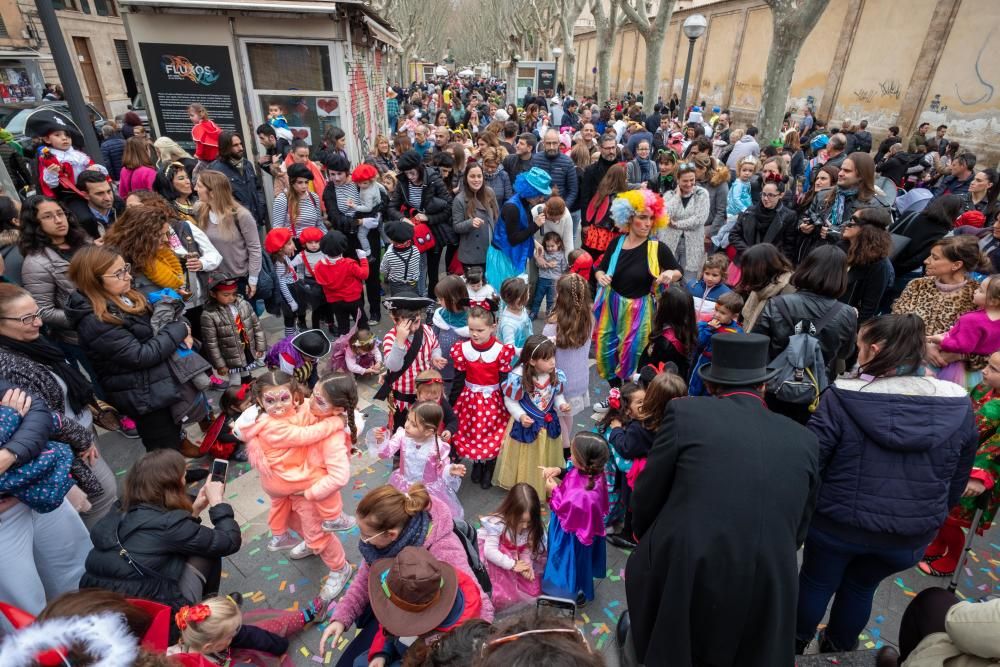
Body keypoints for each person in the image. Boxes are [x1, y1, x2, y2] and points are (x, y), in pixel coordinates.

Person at [625, 332, 819, 666]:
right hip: (771, 577)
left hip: (691, 564)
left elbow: (646, 497)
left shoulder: (685, 414)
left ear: (713, 386)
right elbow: (799, 528)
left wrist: (648, 540)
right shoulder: (804, 440)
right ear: (764, 386)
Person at [795, 314, 977, 654]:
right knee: (861, 588)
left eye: (859, 346)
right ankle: (837, 651)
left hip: (836, 525)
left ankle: (794, 642)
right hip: (907, 534)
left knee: (816, 582)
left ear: (874, 349)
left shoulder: (842, 397)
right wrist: (933, 516)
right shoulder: (959, 404)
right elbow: (958, 475)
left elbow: (810, 462)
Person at [318, 483, 494, 666]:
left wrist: (464, 651)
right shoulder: (379, 547)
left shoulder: (444, 548)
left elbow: (480, 603)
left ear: (391, 534)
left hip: (430, 633)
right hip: (398, 617)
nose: (363, 541)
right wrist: (342, 617)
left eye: (365, 535)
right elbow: (365, 578)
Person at [0, 283, 117, 527]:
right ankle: (106, 550)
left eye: (37, 314)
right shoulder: (8, 365)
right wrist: (81, 439)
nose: (38, 323)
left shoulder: (33, 343)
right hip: (68, 444)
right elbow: (42, 416)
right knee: (101, 499)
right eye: (27, 318)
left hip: (81, 433)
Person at [66, 245, 200, 455]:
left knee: (172, 437)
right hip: (141, 394)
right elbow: (140, 355)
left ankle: (180, 476)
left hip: (156, 383)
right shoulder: (94, 320)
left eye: (126, 268)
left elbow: (161, 321)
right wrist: (179, 329)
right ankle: (169, 486)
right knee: (162, 450)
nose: (128, 276)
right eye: (119, 273)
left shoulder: (123, 296)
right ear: (94, 280)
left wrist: (178, 324)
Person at [80, 449, 241, 620]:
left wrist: (195, 510)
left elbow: (160, 539)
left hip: (110, 612)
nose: (185, 480)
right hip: (156, 619)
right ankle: (209, 618)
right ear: (172, 485)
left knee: (196, 545)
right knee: (207, 553)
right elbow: (229, 541)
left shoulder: (122, 507)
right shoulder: (168, 525)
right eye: (184, 476)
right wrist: (217, 501)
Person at [238, 369, 354, 601]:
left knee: (319, 535)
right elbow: (303, 428)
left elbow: (338, 475)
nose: (279, 406)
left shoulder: (324, 426)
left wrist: (308, 492)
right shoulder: (297, 412)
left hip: (307, 494)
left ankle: (340, 568)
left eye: (284, 398)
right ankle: (311, 544)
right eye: (270, 400)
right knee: (298, 524)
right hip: (292, 493)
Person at [0, 383, 93, 616]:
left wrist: (10, 453)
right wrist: (10, 417)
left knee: (82, 577)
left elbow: (37, 410)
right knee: (26, 611)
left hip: (39, 493)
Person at [752, 245, 858, 422]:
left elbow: (755, 344)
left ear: (806, 267)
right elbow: (844, 353)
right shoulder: (846, 314)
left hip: (772, 384)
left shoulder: (777, 304)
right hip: (816, 389)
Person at [594, 189, 682, 390]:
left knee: (632, 356)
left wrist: (670, 274)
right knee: (605, 353)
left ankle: (631, 398)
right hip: (612, 304)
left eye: (651, 218)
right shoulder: (617, 242)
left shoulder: (656, 247)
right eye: (642, 217)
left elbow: (678, 270)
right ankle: (616, 393)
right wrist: (601, 276)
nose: (648, 223)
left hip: (640, 309)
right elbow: (599, 268)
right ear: (629, 218)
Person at [18, 196, 93, 371]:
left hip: (113, 323)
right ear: (35, 224)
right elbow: (43, 311)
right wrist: (88, 317)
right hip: (82, 337)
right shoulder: (36, 263)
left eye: (60, 213)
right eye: (48, 216)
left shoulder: (84, 241)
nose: (59, 220)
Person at [539, 432, 610, 606]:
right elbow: (573, 476)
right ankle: (575, 589)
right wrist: (560, 471)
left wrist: (553, 490)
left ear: (583, 461)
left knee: (567, 563)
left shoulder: (583, 495)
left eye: (573, 452)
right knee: (577, 563)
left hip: (570, 536)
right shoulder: (594, 474)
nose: (570, 455)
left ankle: (568, 594)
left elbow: (564, 508)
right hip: (580, 531)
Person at [494, 335, 569, 496]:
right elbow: (510, 401)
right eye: (547, 359)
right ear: (533, 361)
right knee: (526, 457)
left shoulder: (554, 374)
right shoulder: (518, 377)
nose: (553, 362)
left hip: (548, 423)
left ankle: (545, 482)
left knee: (545, 454)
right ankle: (526, 485)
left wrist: (561, 403)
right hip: (526, 424)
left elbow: (556, 394)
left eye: (553, 357)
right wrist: (520, 415)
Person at [449, 301, 514, 485]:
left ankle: (489, 465)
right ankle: (477, 462)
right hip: (469, 400)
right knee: (471, 432)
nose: (475, 334)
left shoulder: (500, 351)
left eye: (480, 330)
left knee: (492, 433)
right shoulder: (463, 349)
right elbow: (459, 379)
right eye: (471, 329)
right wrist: (452, 403)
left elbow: (504, 381)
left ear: (493, 327)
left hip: (493, 401)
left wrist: (508, 405)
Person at [372, 400, 464, 520]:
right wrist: (381, 441)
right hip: (403, 485)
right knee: (402, 514)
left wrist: (450, 470)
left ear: (428, 431)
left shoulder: (438, 447)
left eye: (414, 424)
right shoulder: (402, 436)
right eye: (408, 419)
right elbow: (385, 453)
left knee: (427, 517)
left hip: (428, 492)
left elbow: (440, 470)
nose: (407, 425)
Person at [387, 150, 456, 298]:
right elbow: (392, 207)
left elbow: (450, 207)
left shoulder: (433, 178)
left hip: (434, 232)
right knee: (416, 268)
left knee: (433, 269)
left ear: (419, 168)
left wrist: (429, 218)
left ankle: (432, 300)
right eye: (406, 174)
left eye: (412, 173)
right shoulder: (403, 181)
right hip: (413, 230)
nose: (410, 177)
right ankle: (418, 298)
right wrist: (402, 219)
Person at [892, 236, 980, 343]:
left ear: (956, 265)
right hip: (907, 353)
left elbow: (981, 344)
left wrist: (957, 355)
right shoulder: (917, 285)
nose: (926, 261)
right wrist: (923, 348)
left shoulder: (977, 296)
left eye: (935, 258)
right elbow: (896, 324)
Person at [542, 273, 594, 449]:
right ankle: (566, 443)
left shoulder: (553, 326)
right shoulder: (589, 319)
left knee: (556, 417)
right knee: (567, 413)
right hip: (579, 378)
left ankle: (564, 449)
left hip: (559, 381)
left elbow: (545, 353)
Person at [477, 483, 547, 612]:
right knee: (500, 593)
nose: (525, 526)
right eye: (521, 521)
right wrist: (513, 564)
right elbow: (489, 551)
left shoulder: (532, 527)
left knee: (533, 588)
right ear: (510, 511)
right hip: (498, 560)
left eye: (529, 522)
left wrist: (527, 566)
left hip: (515, 557)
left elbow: (526, 549)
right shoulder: (498, 525)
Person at [194, 170, 262, 299]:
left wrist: (253, 280)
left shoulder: (241, 215)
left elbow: (255, 248)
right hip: (212, 281)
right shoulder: (199, 210)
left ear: (213, 192)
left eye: (199, 186)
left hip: (238, 281)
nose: (195, 189)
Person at [486, 168, 552, 291]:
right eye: (539, 194)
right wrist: (535, 225)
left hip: (511, 255)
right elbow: (514, 239)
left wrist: (535, 242)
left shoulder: (525, 202)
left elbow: (522, 229)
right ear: (530, 191)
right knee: (505, 295)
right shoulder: (512, 208)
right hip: (503, 257)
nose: (542, 199)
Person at [841, 206, 893, 323]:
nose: (847, 224)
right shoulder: (840, 247)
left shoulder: (879, 265)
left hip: (845, 322)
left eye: (853, 221)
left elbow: (868, 308)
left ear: (867, 229)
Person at [661, 162, 710, 280]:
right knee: (667, 278)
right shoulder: (669, 195)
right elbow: (664, 214)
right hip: (670, 242)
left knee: (689, 280)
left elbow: (699, 219)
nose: (689, 184)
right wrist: (677, 196)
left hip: (693, 244)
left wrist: (676, 224)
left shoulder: (701, 194)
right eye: (685, 181)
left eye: (691, 180)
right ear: (677, 180)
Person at [728, 180, 797, 263]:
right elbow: (734, 234)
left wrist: (774, 261)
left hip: (770, 265)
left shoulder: (788, 216)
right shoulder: (750, 211)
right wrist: (748, 252)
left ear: (781, 195)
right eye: (763, 194)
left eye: (770, 195)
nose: (765, 198)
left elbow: (788, 246)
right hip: (746, 261)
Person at [208, 132, 265, 225]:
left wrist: (261, 208)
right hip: (235, 224)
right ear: (226, 147)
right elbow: (217, 199)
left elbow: (258, 188)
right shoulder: (216, 169)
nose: (241, 148)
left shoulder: (247, 164)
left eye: (240, 144)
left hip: (255, 220)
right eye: (235, 145)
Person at [452, 162, 498, 275]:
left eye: (479, 176)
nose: (476, 180)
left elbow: (497, 216)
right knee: (475, 290)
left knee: (490, 288)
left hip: (491, 251)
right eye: (472, 176)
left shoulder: (489, 192)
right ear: (466, 178)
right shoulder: (460, 199)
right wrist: (470, 223)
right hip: (471, 256)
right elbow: (456, 226)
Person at [582, 163, 627, 266]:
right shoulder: (618, 197)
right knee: (604, 265)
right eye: (625, 176)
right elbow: (617, 223)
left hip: (595, 233)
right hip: (607, 236)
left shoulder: (602, 191)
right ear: (621, 178)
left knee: (589, 262)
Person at [66, 170, 124, 240]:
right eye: (99, 193)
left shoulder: (120, 206)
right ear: (85, 195)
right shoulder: (79, 220)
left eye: (109, 191)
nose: (108, 198)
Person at [272, 163, 324, 241]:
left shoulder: (314, 197)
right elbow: (277, 228)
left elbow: (319, 224)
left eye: (306, 182)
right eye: (300, 182)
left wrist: (325, 239)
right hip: (294, 244)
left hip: (313, 243)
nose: (304, 186)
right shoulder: (282, 199)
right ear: (292, 182)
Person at [532, 129, 578, 211]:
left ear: (559, 143)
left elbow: (573, 190)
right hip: (539, 207)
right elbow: (531, 185)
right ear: (543, 143)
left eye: (554, 143)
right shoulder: (535, 159)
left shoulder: (567, 162)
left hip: (559, 208)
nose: (551, 147)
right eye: (548, 143)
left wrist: (564, 208)